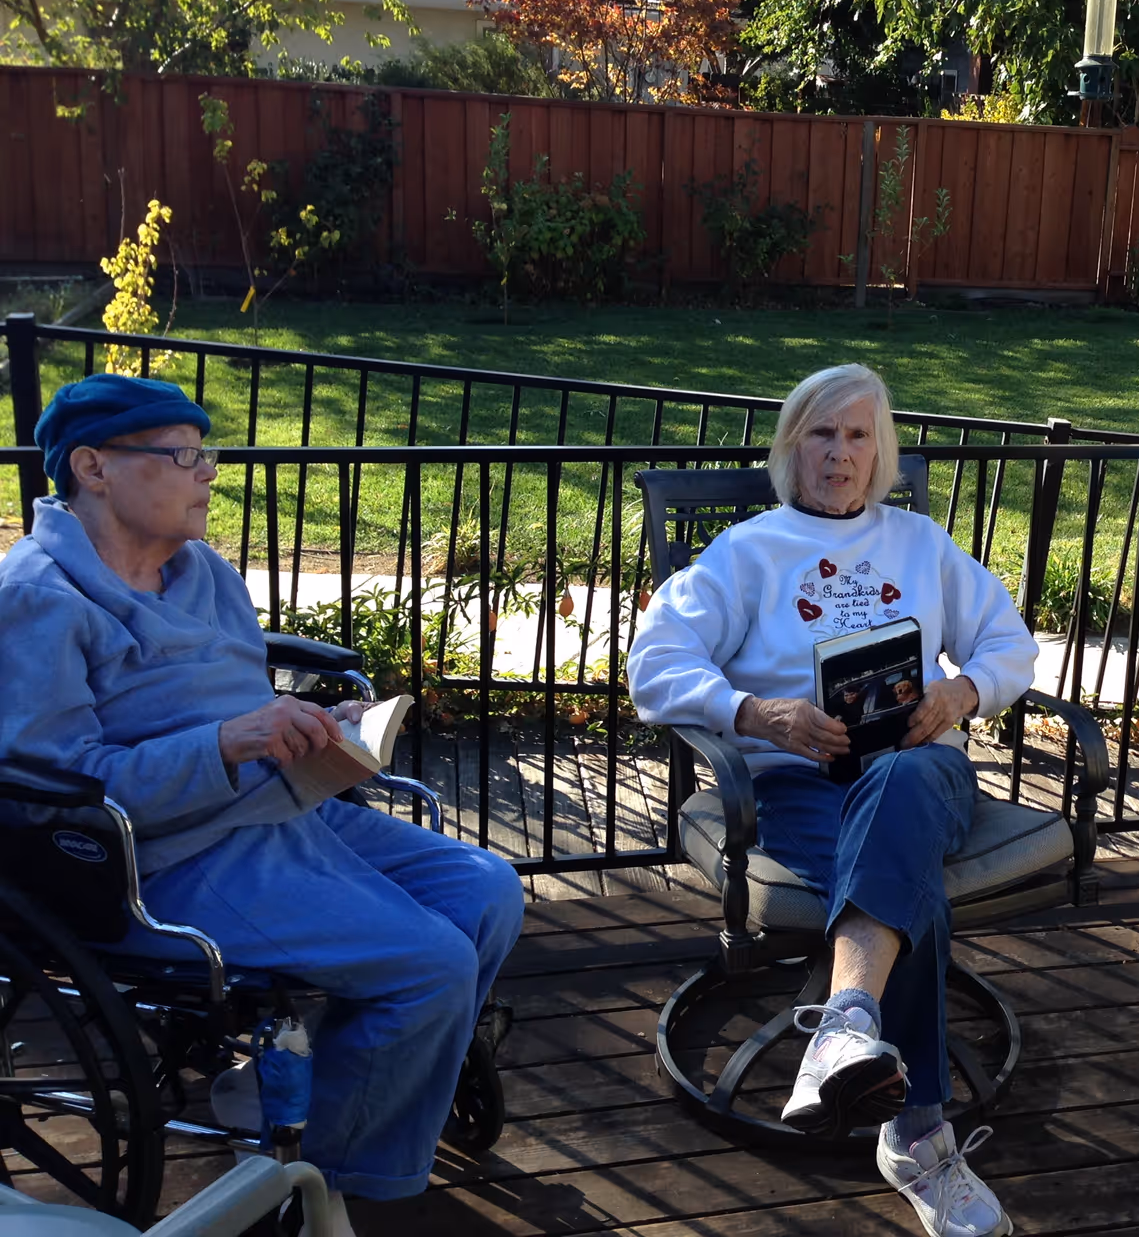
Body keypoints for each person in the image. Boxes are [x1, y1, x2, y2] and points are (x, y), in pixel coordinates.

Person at [0, 374, 526, 1233]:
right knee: (431, 967)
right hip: (158, 861)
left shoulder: (199, 568)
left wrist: (326, 725)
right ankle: (336, 1189)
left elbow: (240, 695)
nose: (207, 472)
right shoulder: (37, 600)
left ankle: (349, 1087)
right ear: (93, 467)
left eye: (204, 453)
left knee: (485, 891)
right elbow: (61, 790)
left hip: (280, 810)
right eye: (182, 454)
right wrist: (229, 744)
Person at [628, 362, 1038, 1237]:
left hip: (923, 768)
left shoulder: (922, 546)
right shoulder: (747, 552)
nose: (839, 454)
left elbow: (1008, 641)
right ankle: (919, 1137)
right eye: (820, 434)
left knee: (905, 782)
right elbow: (655, 664)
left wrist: (961, 697)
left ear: (880, 451)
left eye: (858, 436)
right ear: (792, 449)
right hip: (799, 780)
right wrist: (754, 713)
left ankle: (846, 1023)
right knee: (908, 884)